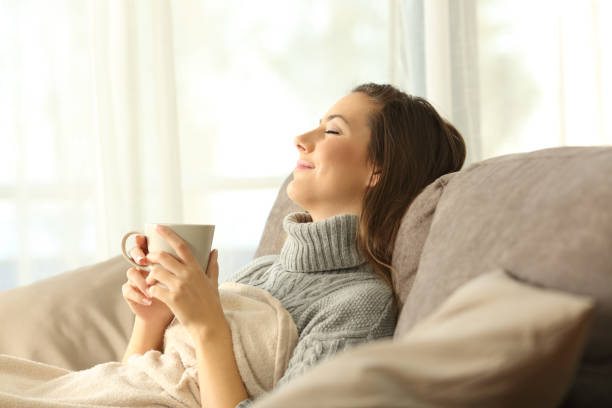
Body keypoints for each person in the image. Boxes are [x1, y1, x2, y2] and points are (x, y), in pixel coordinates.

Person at [122, 82, 467, 408]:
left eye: (331, 131)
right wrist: (152, 320)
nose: (300, 139)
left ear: (378, 168)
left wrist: (207, 326)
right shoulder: (261, 270)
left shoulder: (360, 305)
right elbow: (130, 386)